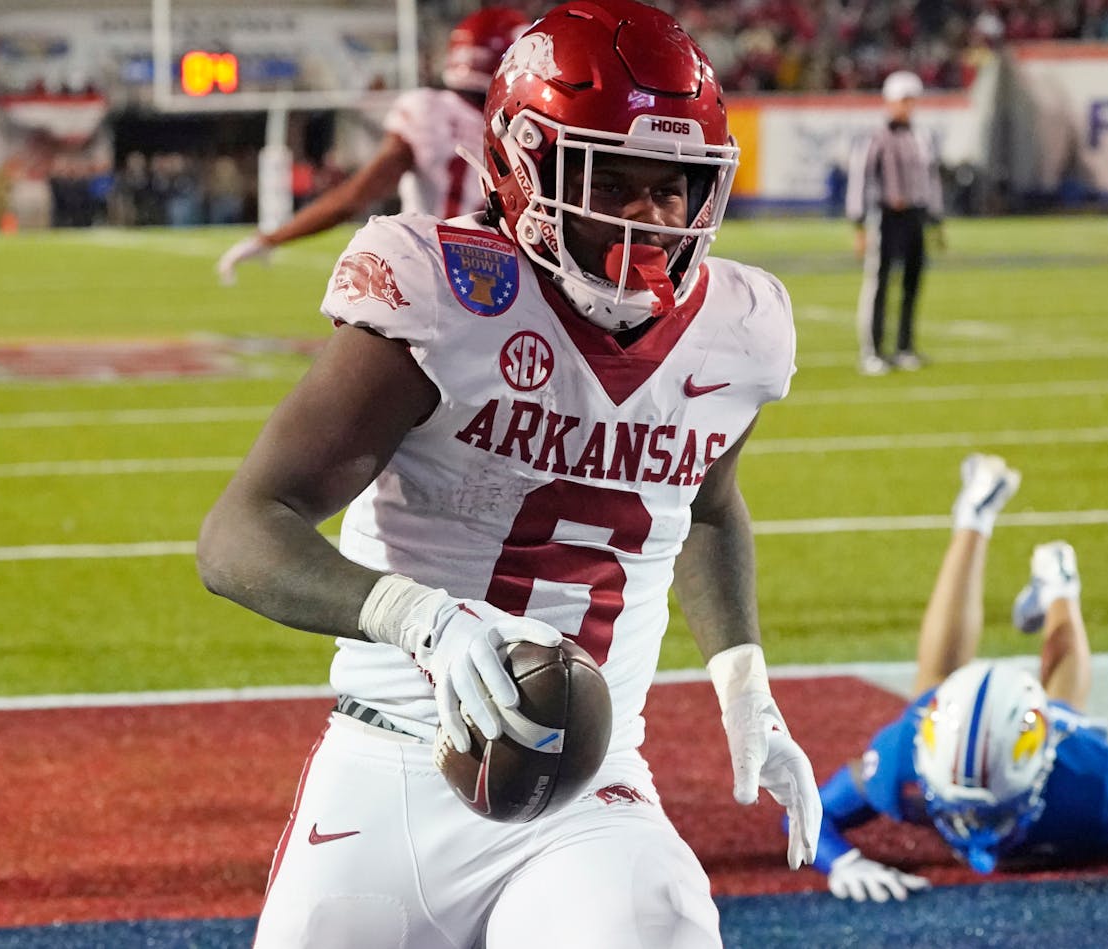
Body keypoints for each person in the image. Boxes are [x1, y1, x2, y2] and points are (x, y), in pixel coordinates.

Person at [196, 3, 823, 946]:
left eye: (672, 187)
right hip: (394, 756)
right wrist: (423, 618)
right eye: (610, 177)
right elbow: (243, 528)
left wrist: (742, 675)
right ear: (524, 165)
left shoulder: (739, 327)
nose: (645, 217)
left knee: (660, 921)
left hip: (593, 787)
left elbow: (703, 506)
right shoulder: (442, 292)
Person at [805, 453, 1108, 902]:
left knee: (1022, 698)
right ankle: (1056, 579)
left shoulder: (1096, 783)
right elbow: (807, 817)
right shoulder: (898, 757)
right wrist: (842, 862)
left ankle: (999, 534)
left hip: (1062, 750)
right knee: (947, 683)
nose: (972, 827)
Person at [215, 7, 530, 285]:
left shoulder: (429, 110)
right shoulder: (526, 127)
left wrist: (271, 238)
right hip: (506, 278)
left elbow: (353, 198)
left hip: (437, 275)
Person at [845, 69, 945, 376]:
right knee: (879, 283)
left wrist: (936, 220)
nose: (908, 106)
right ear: (890, 102)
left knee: (912, 284)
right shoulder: (876, 137)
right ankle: (872, 351)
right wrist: (859, 223)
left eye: (911, 100)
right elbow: (860, 179)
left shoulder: (921, 136)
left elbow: (931, 180)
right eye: (903, 100)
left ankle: (904, 347)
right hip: (886, 216)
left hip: (915, 216)